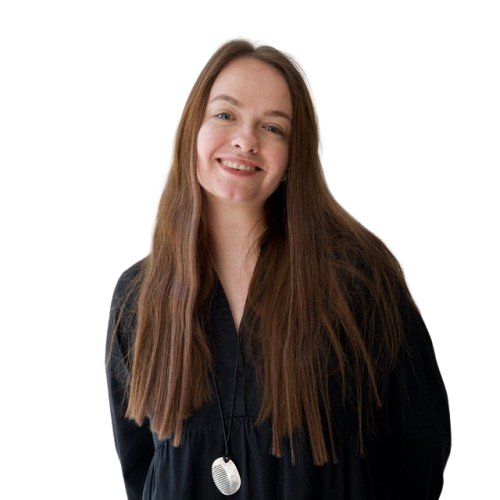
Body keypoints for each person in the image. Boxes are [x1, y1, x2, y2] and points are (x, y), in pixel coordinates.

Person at [105, 35, 451, 499]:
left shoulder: (357, 281)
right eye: (225, 115)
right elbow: (139, 468)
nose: (245, 139)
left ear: (293, 155)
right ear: (193, 130)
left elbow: (418, 449)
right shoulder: (138, 297)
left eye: (273, 127)